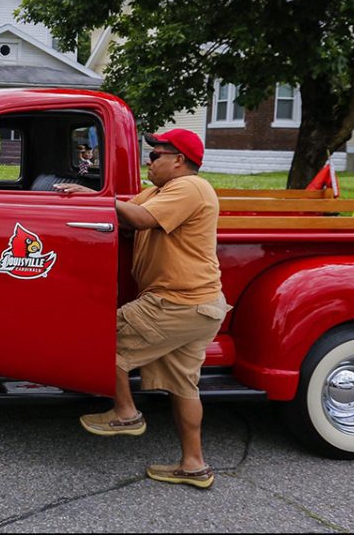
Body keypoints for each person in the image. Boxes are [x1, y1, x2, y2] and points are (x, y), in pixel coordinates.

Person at [55, 128, 228, 490]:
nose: (148, 161)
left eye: (155, 156)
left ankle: (126, 413)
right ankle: (194, 466)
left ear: (179, 161)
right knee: (184, 387)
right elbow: (130, 211)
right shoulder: (161, 191)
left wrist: (96, 200)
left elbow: (141, 219)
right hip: (198, 305)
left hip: (176, 301)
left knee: (101, 340)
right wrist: (96, 201)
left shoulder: (190, 188)